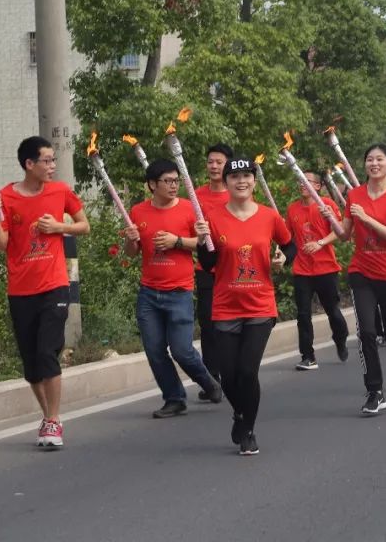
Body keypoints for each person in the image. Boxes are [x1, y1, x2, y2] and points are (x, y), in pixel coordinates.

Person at [0, 137, 91, 449]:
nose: (52, 166)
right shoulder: (5, 196)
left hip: (54, 285)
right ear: (29, 164)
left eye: (52, 160)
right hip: (20, 289)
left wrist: (60, 228)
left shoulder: (59, 191)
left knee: (48, 352)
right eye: (46, 160)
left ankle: (55, 420)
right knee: (31, 364)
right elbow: (1, 244)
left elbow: (83, 225)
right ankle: (48, 416)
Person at [196, 157, 294, 456]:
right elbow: (208, 263)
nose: (242, 181)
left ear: (254, 180)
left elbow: (290, 245)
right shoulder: (212, 217)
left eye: (247, 175)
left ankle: (248, 429)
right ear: (225, 182)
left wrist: (283, 259)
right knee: (228, 374)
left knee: (248, 372)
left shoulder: (268, 216)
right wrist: (202, 241)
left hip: (260, 304)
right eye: (235, 176)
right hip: (226, 304)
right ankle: (240, 412)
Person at [124, 159, 223, 418]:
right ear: (152, 185)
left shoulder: (190, 209)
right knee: (155, 351)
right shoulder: (138, 212)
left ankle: (208, 382)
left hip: (179, 291)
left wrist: (176, 241)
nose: (173, 185)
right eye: (167, 181)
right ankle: (174, 398)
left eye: (176, 181)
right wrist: (130, 240)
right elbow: (132, 253)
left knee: (182, 350)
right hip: (149, 293)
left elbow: (204, 245)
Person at [327, 144, 386, 414]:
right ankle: (374, 390)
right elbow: (345, 234)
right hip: (362, 271)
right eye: (370, 160)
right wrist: (333, 221)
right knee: (366, 333)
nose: (374, 164)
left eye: (380, 159)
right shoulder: (354, 194)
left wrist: (367, 218)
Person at [285, 170, 349, 370]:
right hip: (302, 270)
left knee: (332, 311)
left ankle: (340, 338)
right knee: (303, 314)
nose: (302, 184)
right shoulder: (292, 209)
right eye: (300, 181)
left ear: (318, 186)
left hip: (326, 268)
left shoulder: (326, 205)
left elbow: (340, 232)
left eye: (307, 181)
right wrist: (281, 254)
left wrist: (320, 243)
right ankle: (308, 356)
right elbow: (288, 238)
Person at [194, 143, 234, 396]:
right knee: (208, 322)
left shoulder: (237, 194)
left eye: (219, 162)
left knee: (229, 322)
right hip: (205, 267)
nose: (214, 166)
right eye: (210, 161)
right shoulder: (196, 195)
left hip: (232, 267)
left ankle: (231, 370)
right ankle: (212, 378)